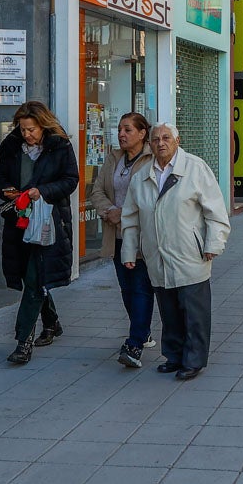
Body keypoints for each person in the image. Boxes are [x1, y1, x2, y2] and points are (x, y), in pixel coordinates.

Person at [120, 123, 229, 381]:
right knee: (168, 310)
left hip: (190, 252)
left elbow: (216, 211)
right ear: (150, 144)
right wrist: (129, 251)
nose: (161, 143)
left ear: (177, 141)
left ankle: (194, 360)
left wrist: (213, 243)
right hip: (156, 254)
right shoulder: (142, 176)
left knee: (194, 311)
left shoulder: (195, 168)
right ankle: (174, 355)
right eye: (156, 139)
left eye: (166, 138)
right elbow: (131, 218)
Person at [0, 100, 79, 365]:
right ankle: (52, 323)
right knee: (32, 275)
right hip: (18, 221)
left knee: (33, 279)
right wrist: (7, 190)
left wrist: (42, 191)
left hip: (48, 222)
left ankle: (22, 343)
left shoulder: (60, 146)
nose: (27, 134)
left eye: (32, 129)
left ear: (43, 126)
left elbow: (70, 180)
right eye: (23, 129)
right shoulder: (10, 147)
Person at [92, 112, 156, 368]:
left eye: (128, 130)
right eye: (120, 129)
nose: (122, 134)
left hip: (140, 235)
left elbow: (153, 197)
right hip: (115, 233)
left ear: (142, 133)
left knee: (141, 286)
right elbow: (97, 190)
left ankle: (135, 344)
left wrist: (124, 213)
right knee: (126, 288)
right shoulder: (114, 157)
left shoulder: (152, 159)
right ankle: (142, 330)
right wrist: (109, 211)